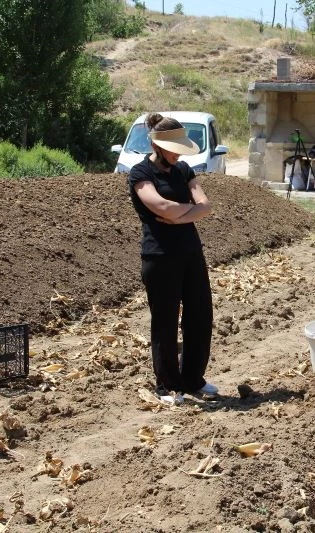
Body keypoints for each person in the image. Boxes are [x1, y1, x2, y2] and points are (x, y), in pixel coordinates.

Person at [127, 113, 218, 405]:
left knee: (200, 316)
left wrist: (178, 219)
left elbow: (205, 205)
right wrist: (187, 211)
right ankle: (167, 386)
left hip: (191, 252)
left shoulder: (184, 170)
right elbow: (160, 205)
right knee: (165, 322)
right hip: (160, 255)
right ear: (157, 145)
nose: (179, 153)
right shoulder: (141, 174)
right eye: (174, 148)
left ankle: (192, 379)